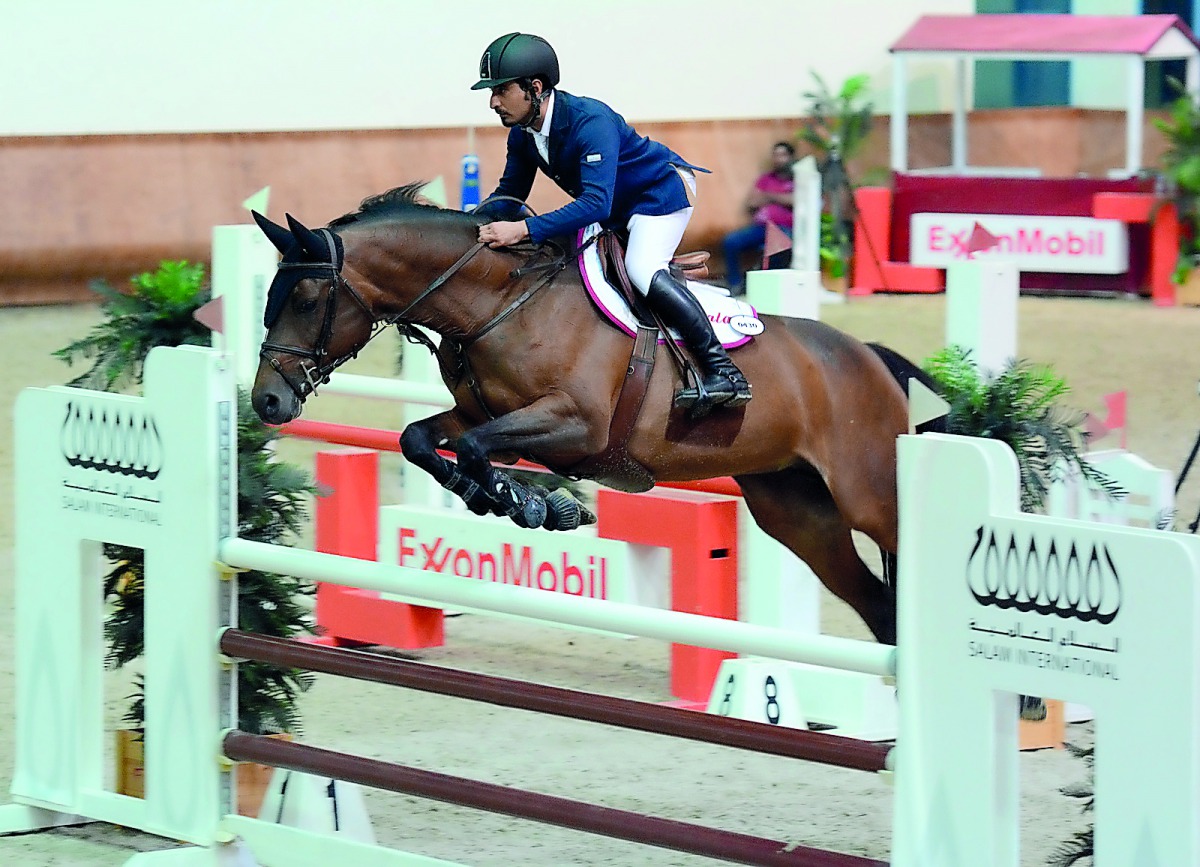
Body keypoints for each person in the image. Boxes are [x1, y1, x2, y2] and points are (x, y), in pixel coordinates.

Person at [470, 32, 751, 415]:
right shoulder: (524, 134)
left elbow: (596, 205)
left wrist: (522, 230)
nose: (493, 102)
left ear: (534, 88)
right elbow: (509, 195)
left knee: (642, 267)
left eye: (501, 90)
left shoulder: (590, 121)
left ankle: (723, 370)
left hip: (659, 193)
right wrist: (464, 228)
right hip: (617, 205)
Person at [721, 141, 795, 295]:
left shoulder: (796, 180)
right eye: (776, 155)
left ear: (791, 157)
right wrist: (781, 198)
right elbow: (752, 202)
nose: (778, 159)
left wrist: (768, 196)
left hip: (784, 230)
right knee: (731, 241)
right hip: (761, 228)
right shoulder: (765, 179)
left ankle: (766, 288)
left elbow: (795, 200)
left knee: (782, 249)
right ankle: (735, 285)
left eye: (783, 155)